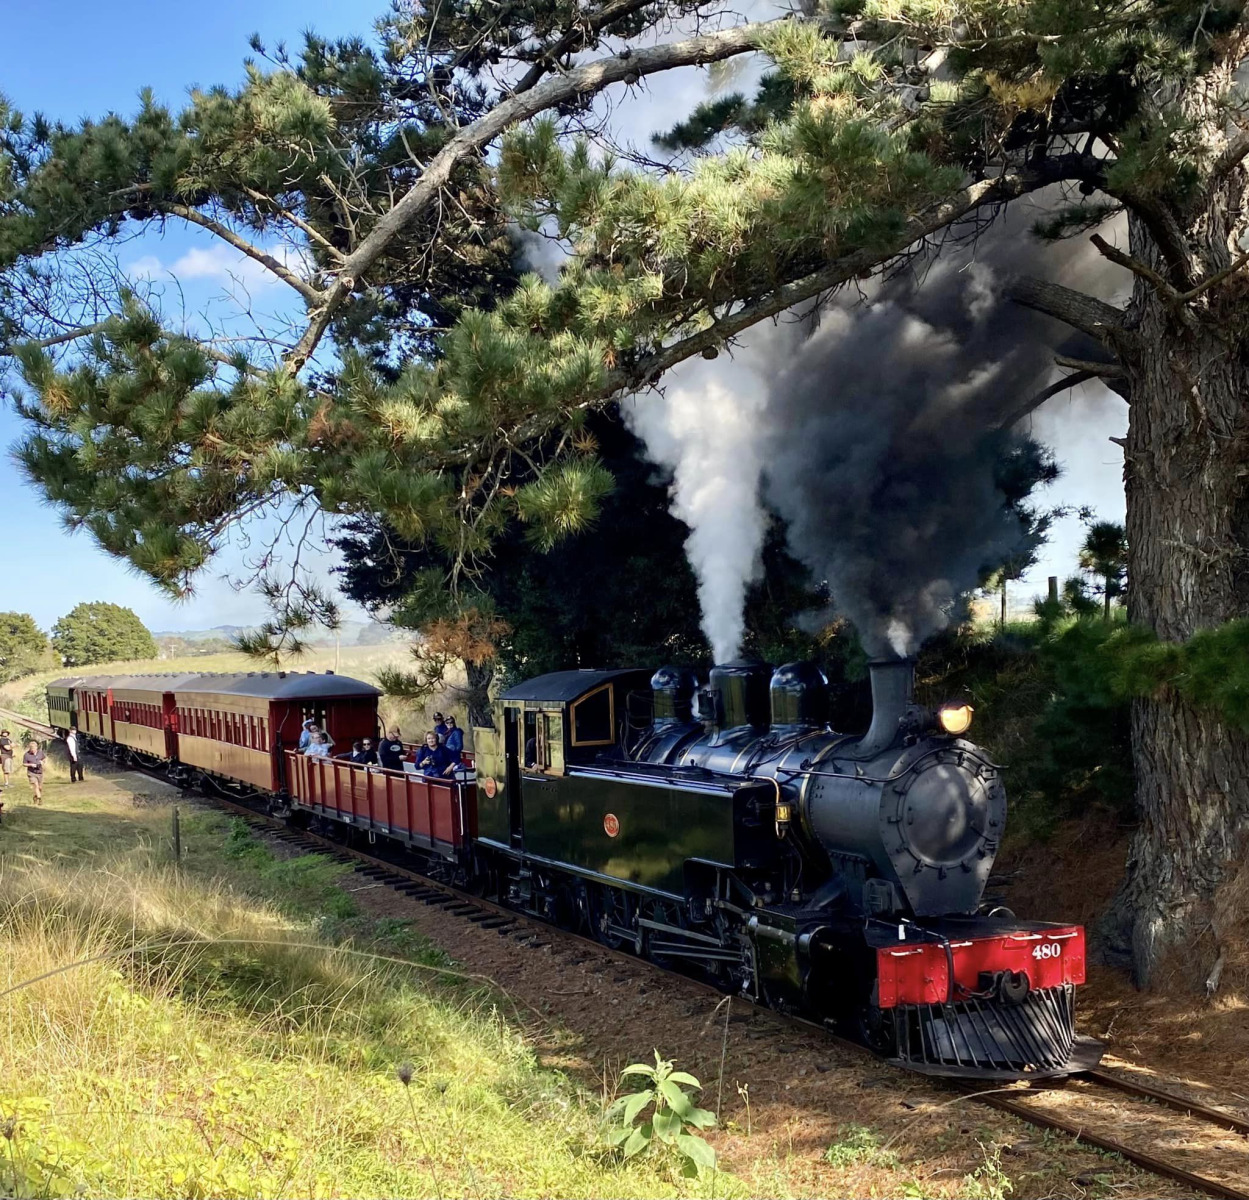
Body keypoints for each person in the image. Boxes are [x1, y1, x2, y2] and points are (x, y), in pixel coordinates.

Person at [23, 740, 46, 804]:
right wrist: (31, 765)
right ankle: (40, 799)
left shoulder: (40, 753)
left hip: (39, 772)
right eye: (31, 748)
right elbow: (24, 764)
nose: (33, 750)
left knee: (40, 788)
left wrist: (42, 762)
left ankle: (35, 796)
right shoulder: (26, 755)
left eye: (34, 748)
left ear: (36, 747)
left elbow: (44, 759)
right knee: (36, 785)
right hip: (31, 773)